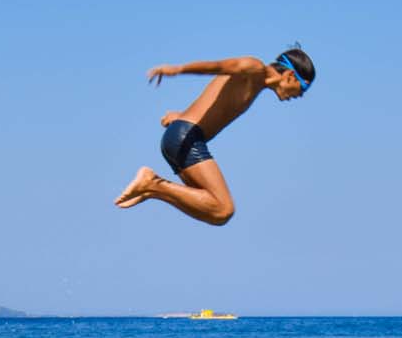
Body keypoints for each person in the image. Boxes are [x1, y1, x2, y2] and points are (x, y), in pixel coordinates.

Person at [114, 47, 316, 225]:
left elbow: (215, 99)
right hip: (187, 138)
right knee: (224, 209)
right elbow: (217, 67)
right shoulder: (254, 68)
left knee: (214, 213)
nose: (300, 95)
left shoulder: (256, 85)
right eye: (303, 88)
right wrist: (178, 70)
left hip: (181, 136)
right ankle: (152, 183)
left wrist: (181, 116)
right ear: (290, 75)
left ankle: (151, 189)